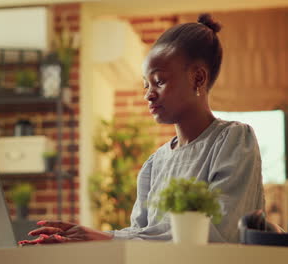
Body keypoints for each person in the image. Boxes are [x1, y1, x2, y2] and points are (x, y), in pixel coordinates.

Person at [19, 13, 265, 245]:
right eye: (146, 84)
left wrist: (107, 238)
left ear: (198, 79)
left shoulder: (233, 140)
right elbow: (139, 236)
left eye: (159, 81)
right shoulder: (154, 164)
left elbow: (220, 232)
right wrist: (83, 237)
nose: (148, 94)